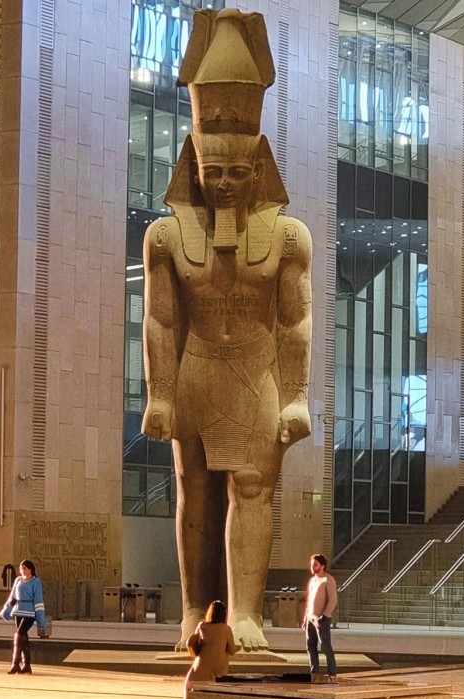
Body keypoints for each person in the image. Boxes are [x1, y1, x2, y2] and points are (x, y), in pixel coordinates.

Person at [141, 8, 313, 655]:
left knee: (252, 486)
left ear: (258, 171)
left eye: (237, 174)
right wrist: (159, 394)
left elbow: (295, 320)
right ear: (194, 169)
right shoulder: (165, 236)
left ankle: (245, 612)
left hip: (258, 370)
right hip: (196, 367)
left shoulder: (288, 237)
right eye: (213, 174)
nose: (223, 185)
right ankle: (193, 608)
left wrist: (297, 396)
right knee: (194, 488)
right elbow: (161, 318)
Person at [5, 559, 46, 674]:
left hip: (29, 613)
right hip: (18, 611)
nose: (22, 570)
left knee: (19, 634)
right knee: (23, 637)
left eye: (25, 568)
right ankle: (26, 664)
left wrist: (40, 619)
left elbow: (38, 600)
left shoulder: (36, 582)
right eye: (21, 568)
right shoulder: (18, 580)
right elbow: (13, 596)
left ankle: (15, 663)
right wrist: (7, 610)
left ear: (30, 569)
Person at [185, 600, 235, 687]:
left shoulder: (202, 626)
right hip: (219, 669)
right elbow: (232, 650)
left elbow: (195, 642)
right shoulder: (226, 629)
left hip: (200, 667)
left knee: (191, 685)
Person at [303, 553, 337, 679]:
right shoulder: (312, 580)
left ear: (322, 566)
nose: (312, 567)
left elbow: (333, 600)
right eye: (312, 564)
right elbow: (309, 600)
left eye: (315, 565)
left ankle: (332, 673)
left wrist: (325, 615)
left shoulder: (328, 580)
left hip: (321, 619)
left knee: (325, 646)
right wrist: (305, 617)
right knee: (310, 647)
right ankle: (314, 672)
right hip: (310, 618)